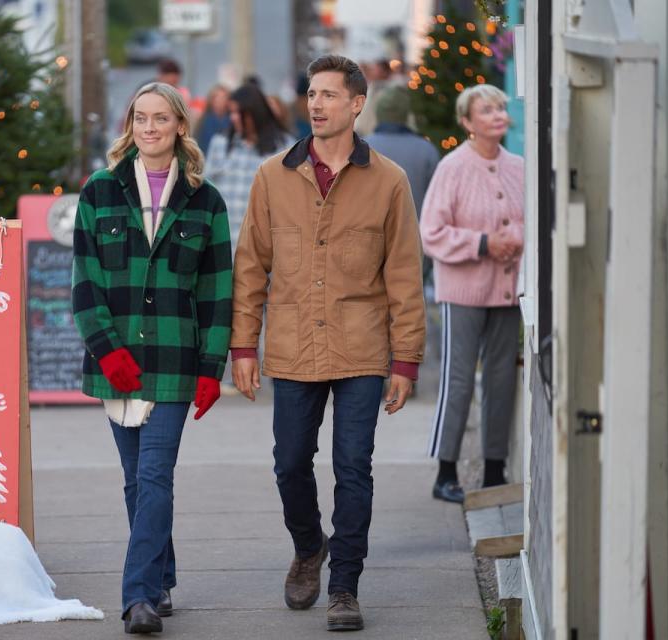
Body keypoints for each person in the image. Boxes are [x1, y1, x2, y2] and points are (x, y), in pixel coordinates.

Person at [230, 55, 425, 633]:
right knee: (290, 463)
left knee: (353, 467)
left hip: (362, 346)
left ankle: (344, 585)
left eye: (329, 95)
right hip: (292, 344)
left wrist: (406, 359)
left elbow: (404, 277)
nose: (315, 104)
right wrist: (244, 347)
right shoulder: (273, 177)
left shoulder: (389, 181)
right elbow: (250, 269)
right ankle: (308, 545)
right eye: (311, 94)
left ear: (357, 104)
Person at [71, 82, 233, 634]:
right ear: (130, 125)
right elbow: (84, 283)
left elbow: (217, 293)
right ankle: (161, 575)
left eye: (160, 119)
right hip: (116, 358)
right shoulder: (98, 193)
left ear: (180, 126)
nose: (149, 128)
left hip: (173, 360)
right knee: (135, 480)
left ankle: (138, 596)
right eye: (140, 118)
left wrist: (212, 370)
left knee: (155, 473)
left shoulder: (205, 201)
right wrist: (105, 349)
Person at [419, 84, 524, 504]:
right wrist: (483, 244)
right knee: (458, 379)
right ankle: (445, 471)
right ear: (467, 123)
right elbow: (431, 232)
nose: (497, 114)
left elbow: (533, 219)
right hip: (462, 289)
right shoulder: (452, 167)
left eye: (500, 107)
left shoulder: (519, 167)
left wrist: (512, 238)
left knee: (501, 378)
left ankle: (495, 470)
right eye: (486, 109)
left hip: (508, 289)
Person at [205, 83, 296, 250]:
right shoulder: (220, 144)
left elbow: (293, 205)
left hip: (265, 252)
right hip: (223, 249)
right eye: (230, 112)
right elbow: (205, 194)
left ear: (255, 113)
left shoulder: (285, 147)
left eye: (238, 113)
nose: (233, 118)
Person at [366, 86, 441, 282]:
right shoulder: (427, 151)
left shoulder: (359, 148)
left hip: (367, 244)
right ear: (406, 114)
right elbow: (436, 204)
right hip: (413, 244)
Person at [194, 84, 231, 153]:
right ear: (211, 99)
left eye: (223, 97)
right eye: (217, 97)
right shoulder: (204, 120)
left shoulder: (232, 121)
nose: (220, 100)